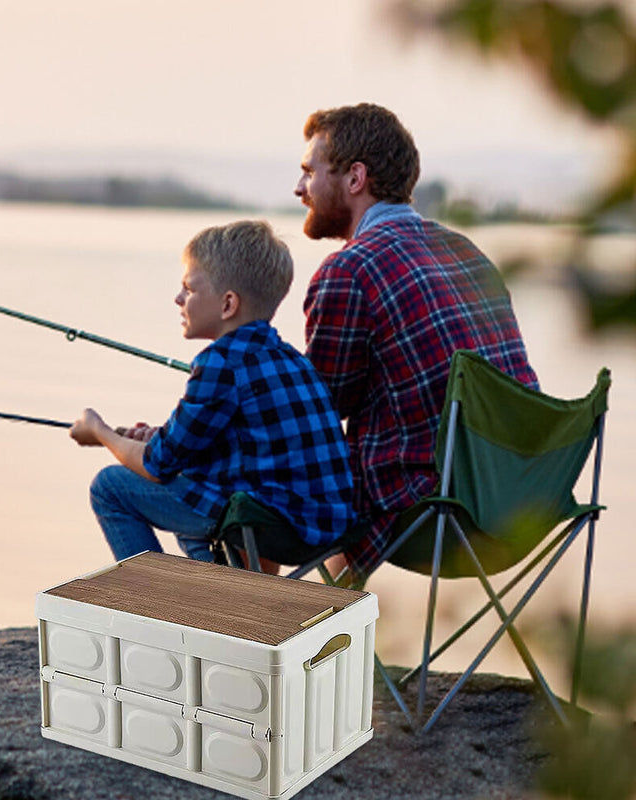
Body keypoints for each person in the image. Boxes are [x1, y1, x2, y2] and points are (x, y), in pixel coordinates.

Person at [295, 102, 539, 580]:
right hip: (518, 503)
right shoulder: (467, 251)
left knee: (255, 478)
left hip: (430, 513)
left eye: (309, 172)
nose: (299, 187)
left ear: (354, 178)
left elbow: (318, 415)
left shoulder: (350, 270)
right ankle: (319, 636)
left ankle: (269, 641)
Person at [70, 220, 355, 564]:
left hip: (266, 525)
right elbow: (231, 444)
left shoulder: (219, 362)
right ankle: (212, 598)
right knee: (192, 482)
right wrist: (156, 436)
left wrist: (99, 432)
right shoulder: (292, 359)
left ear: (227, 304)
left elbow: (156, 464)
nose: (178, 298)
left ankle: (155, 608)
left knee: (110, 487)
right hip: (324, 528)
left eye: (188, 289)